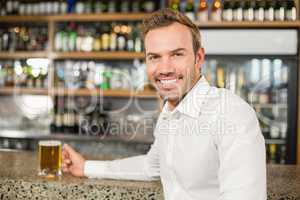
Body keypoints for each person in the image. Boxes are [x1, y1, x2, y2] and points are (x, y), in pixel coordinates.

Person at [62, 8, 267, 200]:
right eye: (154, 57)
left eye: (177, 54)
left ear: (198, 58)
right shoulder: (170, 112)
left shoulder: (231, 113)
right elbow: (151, 167)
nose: (164, 68)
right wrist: (86, 167)